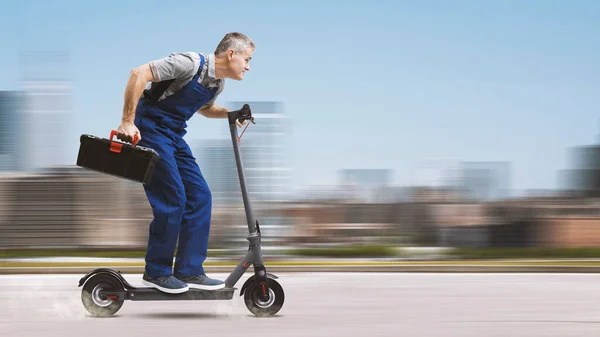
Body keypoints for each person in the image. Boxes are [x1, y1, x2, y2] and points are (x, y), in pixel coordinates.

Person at [116, 32, 255, 294]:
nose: (248, 66)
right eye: (247, 59)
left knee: (200, 197)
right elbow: (138, 74)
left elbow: (204, 108)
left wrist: (230, 113)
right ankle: (156, 272)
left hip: (174, 134)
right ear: (231, 54)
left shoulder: (217, 84)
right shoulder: (190, 63)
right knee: (173, 198)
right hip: (150, 128)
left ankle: (189, 270)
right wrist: (127, 120)